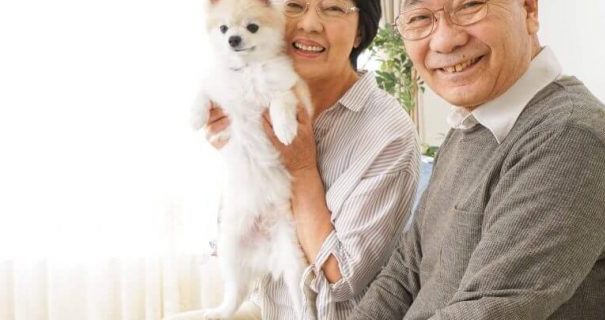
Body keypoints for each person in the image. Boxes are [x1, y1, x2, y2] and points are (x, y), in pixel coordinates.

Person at [350, 0, 605, 319]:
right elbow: (403, 276)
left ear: (529, 10)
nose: (444, 40)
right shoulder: (472, 125)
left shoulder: (569, 136)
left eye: (469, 5)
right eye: (420, 17)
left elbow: (488, 311)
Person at [167, 0, 420, 319]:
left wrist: (301, 167)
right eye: (295, 5)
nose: (310, 24)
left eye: (333, 9)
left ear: (360, 32)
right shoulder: (256, 90)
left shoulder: (388, 132)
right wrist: (241, 148)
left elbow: (342, 280)